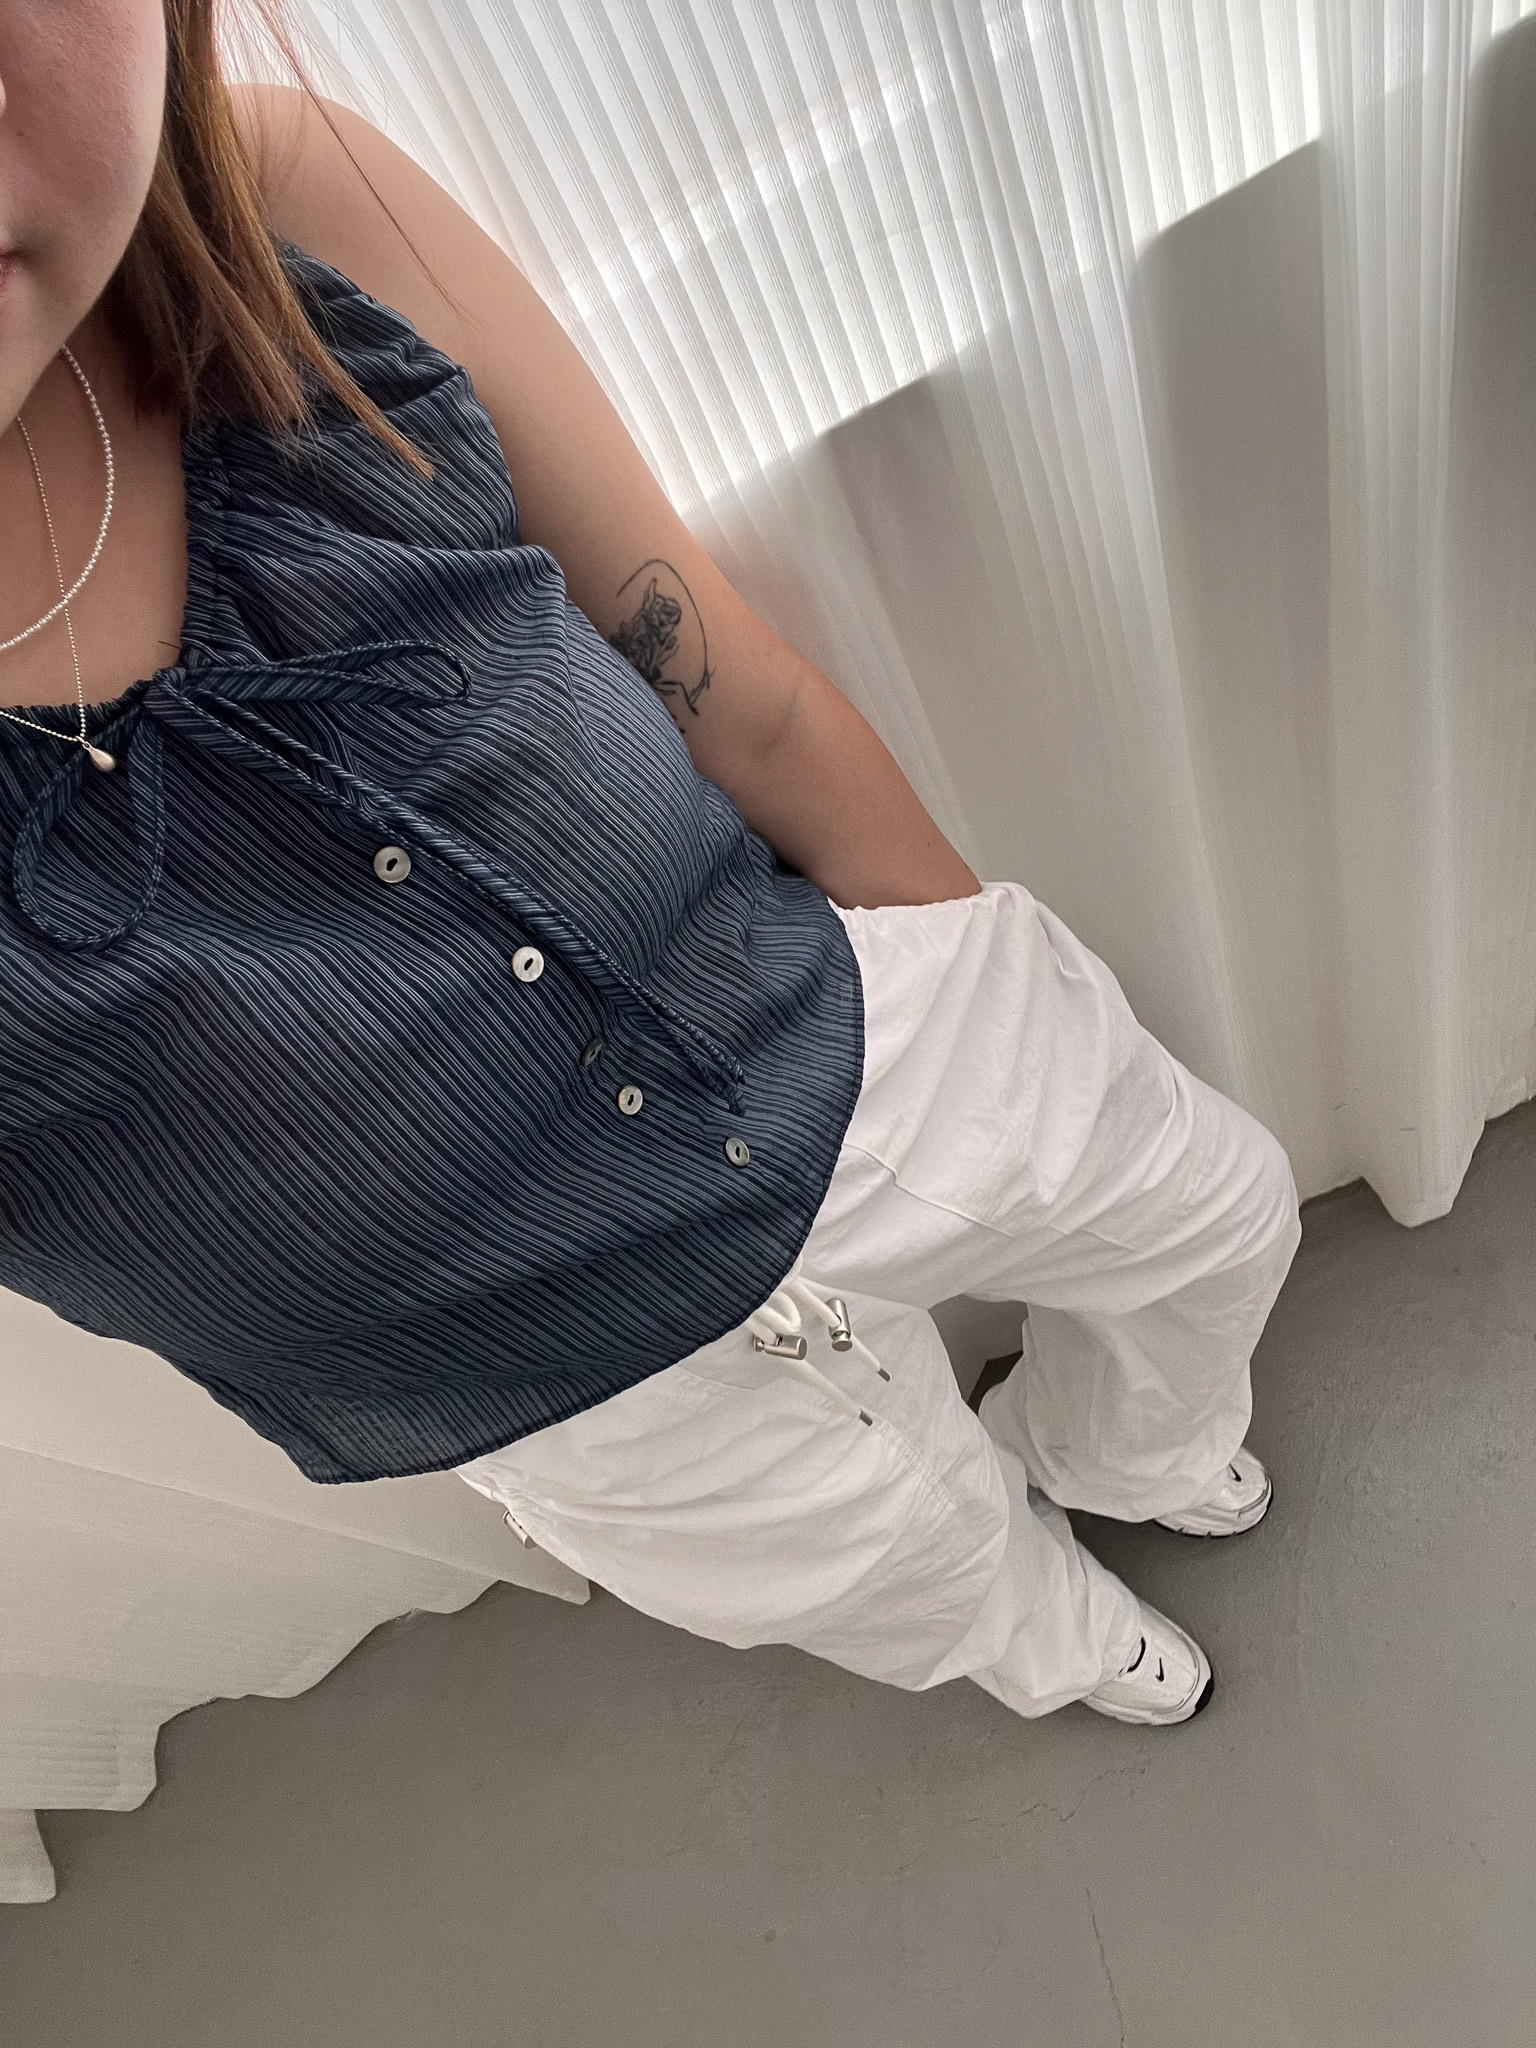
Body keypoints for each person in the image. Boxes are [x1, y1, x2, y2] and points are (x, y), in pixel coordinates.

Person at [0, 0, 1300, 1731]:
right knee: (901, 1568)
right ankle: (1042, 1632)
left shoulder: (278, 209)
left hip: (799, 1021)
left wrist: (976, 966)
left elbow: (725, 679)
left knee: (1214, 1215)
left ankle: (1121, 1449)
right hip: (535, 1364)